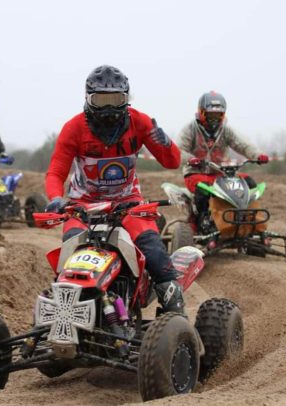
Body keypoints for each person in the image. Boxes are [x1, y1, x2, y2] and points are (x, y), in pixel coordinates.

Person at [44, 65, 186, 315]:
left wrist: (166, 143)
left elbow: (172, 162)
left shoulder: (140, 122)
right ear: (88, 99)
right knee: (69, 256)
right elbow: (56, 172)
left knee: (153, 251)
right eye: (101, 99)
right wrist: (56, 198)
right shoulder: (74, 128)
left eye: (116, 99)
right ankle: (62, 308)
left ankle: (177, 313)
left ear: (126, 99)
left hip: (128, 203)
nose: (109, 108)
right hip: (82, 207)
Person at [177, 91, 269, 232]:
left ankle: (248, 222)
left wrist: (258, 155)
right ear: (202, 112)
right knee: (203, 190)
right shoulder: (190, 130)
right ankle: (199, 224)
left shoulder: (225, 130)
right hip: (196, 173)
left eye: (218, 115)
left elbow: (242, 145)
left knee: (249, 183)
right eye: (211, 114)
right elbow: (178, 150)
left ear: (223, 114)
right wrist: (191, 159)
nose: (214, 118)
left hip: (221, 174)